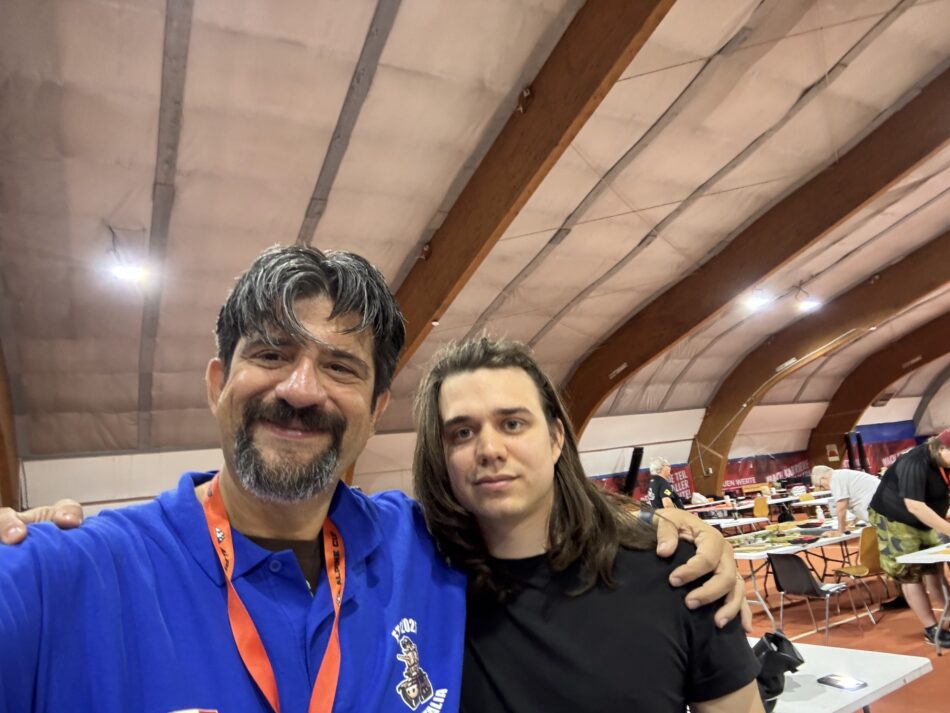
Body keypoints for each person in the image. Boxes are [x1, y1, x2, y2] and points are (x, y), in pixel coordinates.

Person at [0, 246, 746, 712]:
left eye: (339, 366)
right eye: (271, 354)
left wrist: (673, 529)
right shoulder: (59, 575)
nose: (301, 389)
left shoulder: (423, 548)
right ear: (217, 383)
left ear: (375, 409)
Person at [412, 337, 762, 712]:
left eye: (512, 424)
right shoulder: (423, 591)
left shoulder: (678, 571)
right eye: (463, 433)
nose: (490, 450)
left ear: (555, 439)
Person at [867, 429, 950, 647]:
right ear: (941, 449)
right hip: (894, 518)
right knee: (910, 572)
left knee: (934, 567)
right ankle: (931, 629)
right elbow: (914, 506)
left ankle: (948, 616)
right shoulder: (914, 462)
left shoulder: (944, 463)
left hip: (925, 519)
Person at [810, 465, 880, 536]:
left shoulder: (835, 479)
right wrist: (854, 521)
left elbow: (841, 508)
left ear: (823, 477)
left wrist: (840, 531)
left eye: (821, 485)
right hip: (880, 510)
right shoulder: (842, 475)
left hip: (879, 514)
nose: (824, 488)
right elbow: (862, 496)